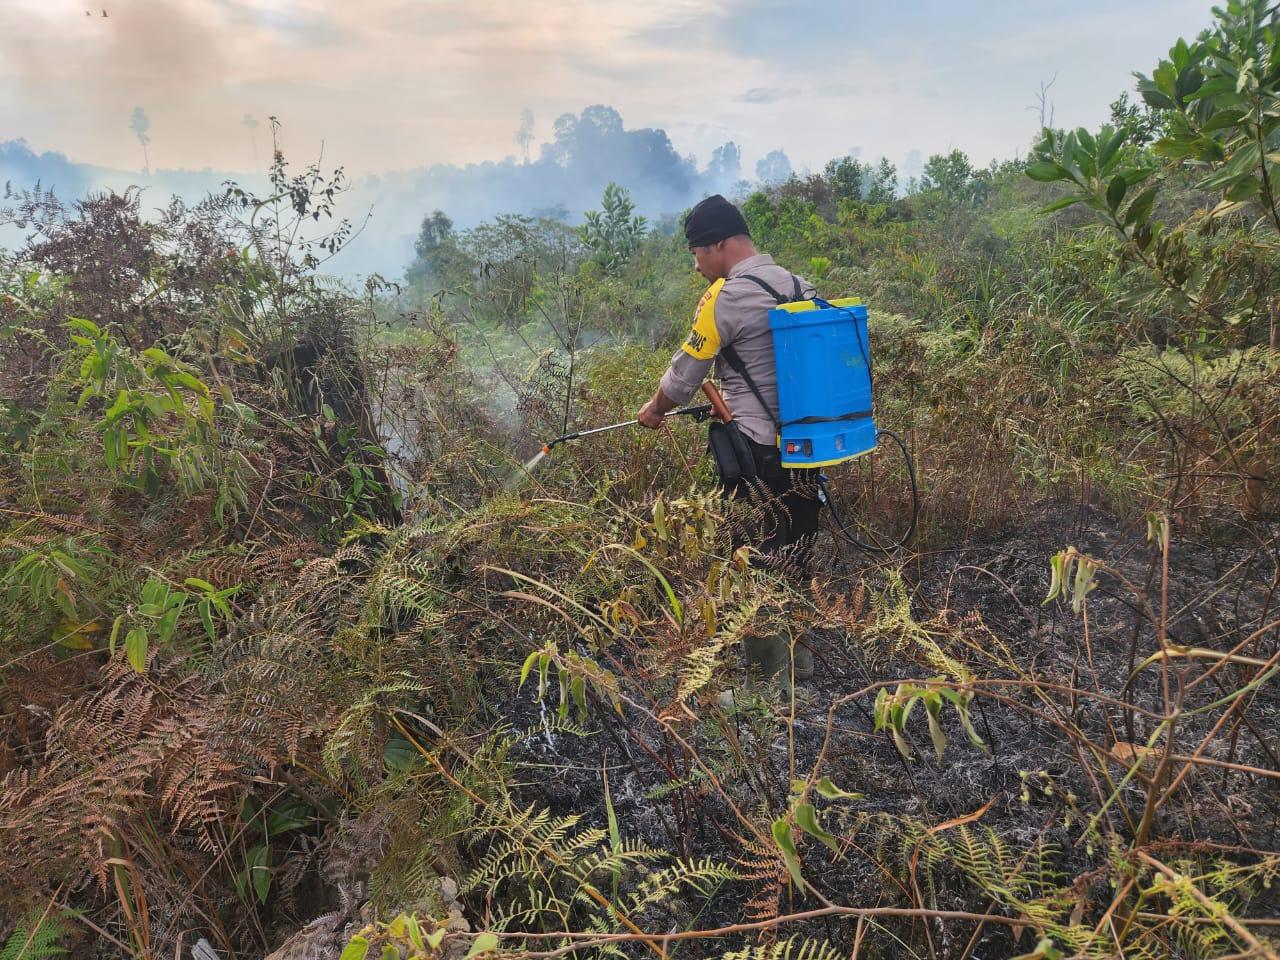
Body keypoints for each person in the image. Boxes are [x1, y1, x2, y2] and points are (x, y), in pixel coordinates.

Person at [636, 194, 820, 683]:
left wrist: (654, 411)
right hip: (807, 449)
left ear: (718, 245)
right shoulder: (799, 285)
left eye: (697, 254)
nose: (697, 267)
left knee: (752, 557)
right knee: (796, 551)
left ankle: (763, 687)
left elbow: (684, 377)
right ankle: (798, 664)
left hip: (755, 454)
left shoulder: (727, 297)